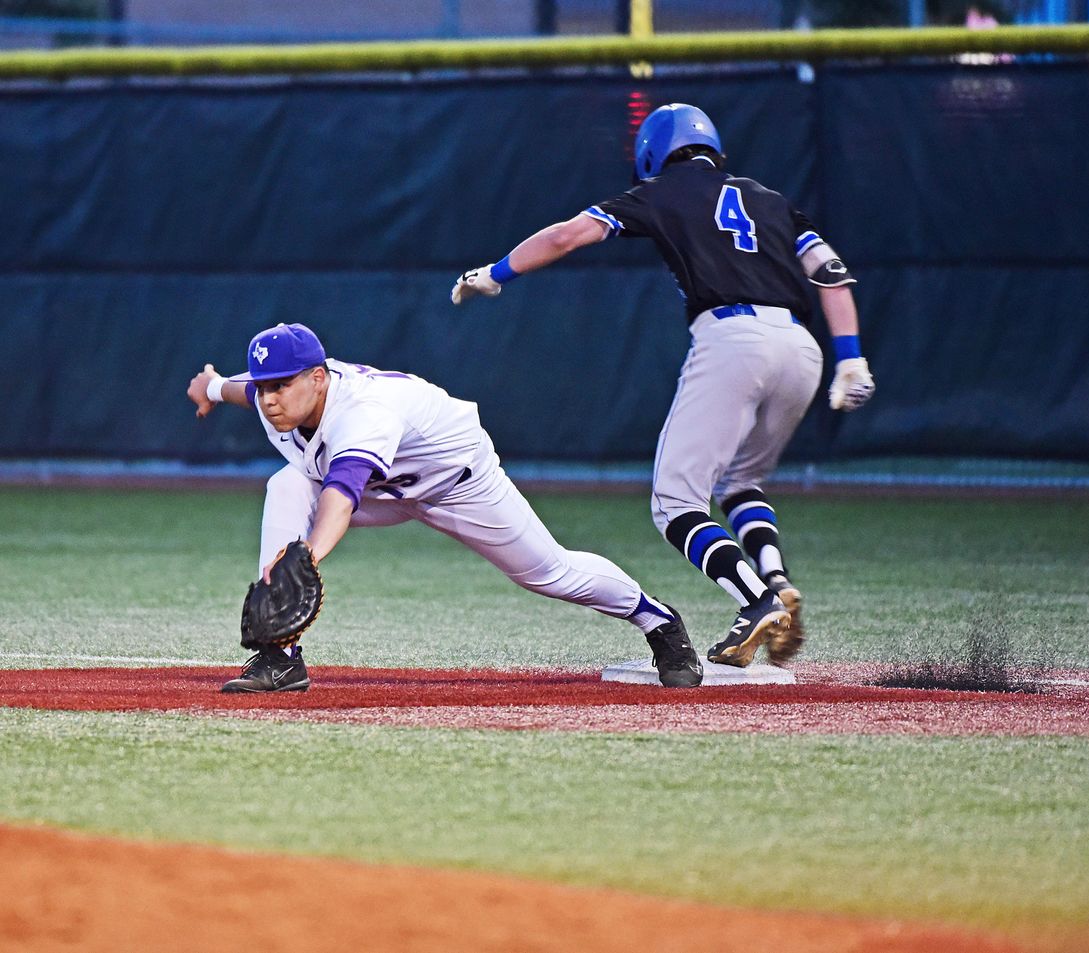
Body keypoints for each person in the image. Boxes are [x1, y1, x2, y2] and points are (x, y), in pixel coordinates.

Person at [451, 103, 875, 669]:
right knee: (742, 481)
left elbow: (568, 235)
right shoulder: (773, 200)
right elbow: (830, 276)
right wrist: (852, 359)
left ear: (653, 152)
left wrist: (494, 274)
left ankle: (758, 601)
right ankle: (775, 578)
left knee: (675, 504)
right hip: (802, 349)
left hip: (732, 338)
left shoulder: (660, 190)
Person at [187, 322, 703, 692]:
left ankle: (657, 620)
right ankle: (281, 658)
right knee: (286, 484)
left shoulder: (364, 415)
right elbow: (236, 387)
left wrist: (309, 556)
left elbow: (341, 496)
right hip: (385, 490)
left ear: (318, 377)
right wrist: (210, 387)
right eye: (263, 387)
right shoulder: (267, 398)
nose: (269, 398)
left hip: (458, 484)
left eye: (282, 384)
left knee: (550, 573)